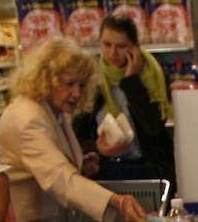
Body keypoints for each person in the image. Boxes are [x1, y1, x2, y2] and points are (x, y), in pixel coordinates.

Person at [0, 37, 146, 221]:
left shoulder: (52, 110)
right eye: (69, 84)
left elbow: (51, 164)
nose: (77, 93)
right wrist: (118, 201)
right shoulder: (28, 119)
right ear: (46, 78)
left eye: (82, 85)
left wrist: (81, 162)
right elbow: (61, 179)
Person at [73, 13, 177, 196]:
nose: (112, 53)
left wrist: (131, 80)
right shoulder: (90, 80)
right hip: (106, 172)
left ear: (134, 48)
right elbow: (77, 137)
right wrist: (98, 148)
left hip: (149, 171)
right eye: (107, 44)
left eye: (120, 46)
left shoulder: (152, 76)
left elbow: (154, 126)